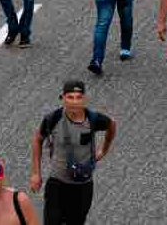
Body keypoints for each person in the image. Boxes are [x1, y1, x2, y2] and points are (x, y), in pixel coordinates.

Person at [32, 80, 116, 225]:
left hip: (82, 185)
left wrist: (104, 149)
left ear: (85, 99)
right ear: (63, 98)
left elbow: (112, 124)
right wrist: (36, 173)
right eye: (70, 97)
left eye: (78, 97)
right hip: (57, 184)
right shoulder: (53, 119)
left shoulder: (93, 119)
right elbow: (38, 139)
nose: (74, 102)